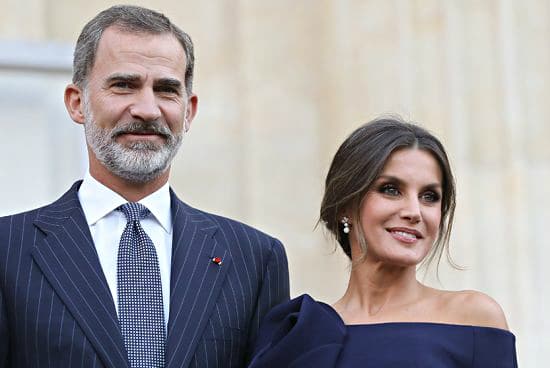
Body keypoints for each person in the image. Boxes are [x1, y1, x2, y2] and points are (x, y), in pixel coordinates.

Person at [0, 5, 289, 368]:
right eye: (124, 85)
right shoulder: (7, 251)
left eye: (167, 90)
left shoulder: (254, 259)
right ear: (77, 103)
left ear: (189, 111)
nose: (147, 109)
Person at [249, 117, 518, 367]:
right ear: (346, 205)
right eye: (391, 190)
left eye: (429, 196)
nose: (414, 211)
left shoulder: (473, 318)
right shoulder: (300, 331)